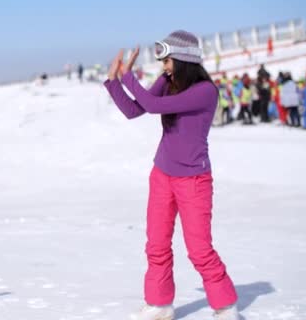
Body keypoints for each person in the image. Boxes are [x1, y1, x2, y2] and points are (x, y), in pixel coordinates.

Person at [103, 30, 239, 320]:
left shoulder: (204, 91)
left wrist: (129, 77)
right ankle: (159, 304)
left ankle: (225, 307)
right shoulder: (168, 81)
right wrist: (113, 82)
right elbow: (134, 109)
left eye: (168, 61)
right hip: (162, 174)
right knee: (156, 243)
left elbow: (155, 107)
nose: (164, 67)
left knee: (200, 250)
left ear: (184, 59)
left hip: (193, 181)